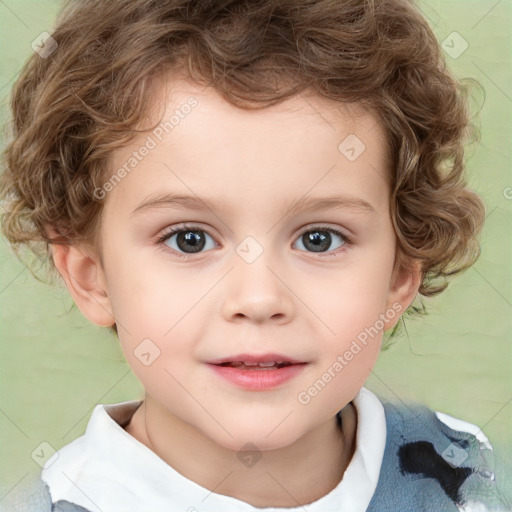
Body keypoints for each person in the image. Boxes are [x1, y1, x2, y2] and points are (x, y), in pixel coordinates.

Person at [0, 0, 508, 511]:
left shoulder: (475, 476)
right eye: (189, 239)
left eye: (319, 239)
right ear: (93, 278)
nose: (259, 298)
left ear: (399, 275)